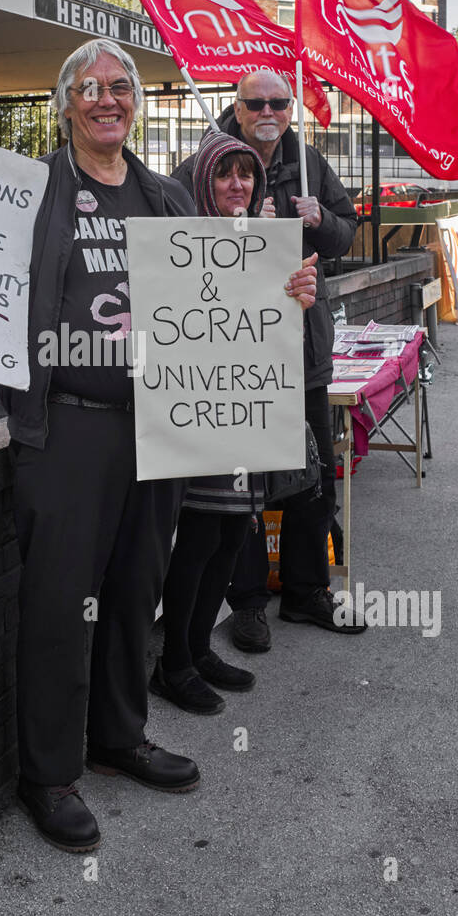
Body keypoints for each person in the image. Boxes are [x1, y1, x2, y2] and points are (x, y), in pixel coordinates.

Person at [0, 38, 200, 854]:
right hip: (68, 425)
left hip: (157, 425)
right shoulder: (32, 192)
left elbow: (220, 291)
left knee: (132, 591)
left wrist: (285, 290)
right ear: (65, 103)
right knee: (58, 604)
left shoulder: (167, 195)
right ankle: (48, 773)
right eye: (91, 88)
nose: (108, 99)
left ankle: (119, 736)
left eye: (121, 87)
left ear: (136, 103)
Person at [178, 69, 363, 644]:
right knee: (241, 485)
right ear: (236, 108)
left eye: (278, 101)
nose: (267, 110)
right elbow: (172, 240)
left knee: (310, 479)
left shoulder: (307, 159)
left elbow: (348, 234)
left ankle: (308, 592)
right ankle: (248, 601)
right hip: (231, 355)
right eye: (254, 101)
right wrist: (235, 231)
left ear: (291, 108)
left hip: (300, 352)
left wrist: (319, 220)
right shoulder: (205, 163)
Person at [152, 132, 318, 714]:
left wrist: (301, 292)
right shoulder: (183, 243)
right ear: (204, 181)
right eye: (225, 175)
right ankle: (172, 663)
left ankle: (198, 650)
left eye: (246, 174)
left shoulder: (265, 246)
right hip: (201, 418)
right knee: (197, 539)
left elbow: (277, 328)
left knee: (231, 537)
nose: (238, 185)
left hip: (247, 416)